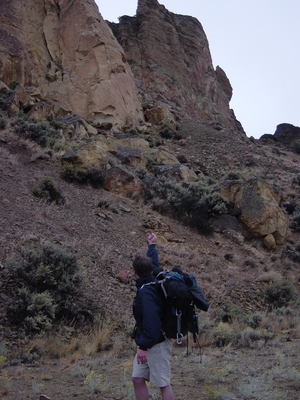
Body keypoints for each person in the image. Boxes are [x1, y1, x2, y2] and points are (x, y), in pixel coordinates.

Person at [131, 230, 175, 400]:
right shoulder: (154, 277)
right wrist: (152, 245)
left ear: (135, 273)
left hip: (156, 343)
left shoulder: (146, 293)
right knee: (137, 378)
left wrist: (143, 347)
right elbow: (153, 262)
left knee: (163, 383)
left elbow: (152, 321)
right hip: (149, 341)